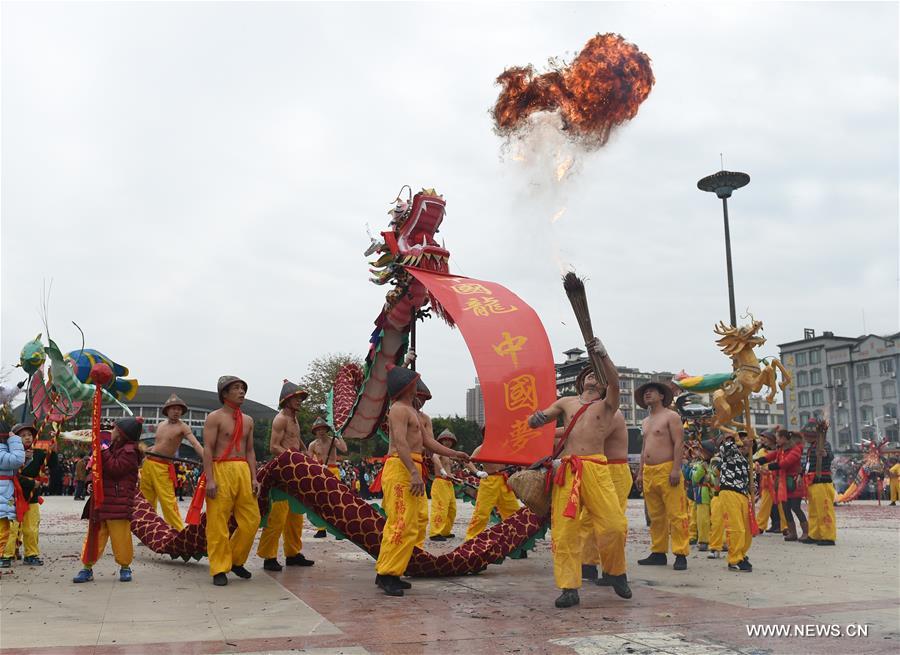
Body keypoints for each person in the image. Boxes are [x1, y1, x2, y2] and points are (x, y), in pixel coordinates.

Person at [528, 337, 631, 608]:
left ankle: (616, 571)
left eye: (597, 376)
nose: (592, 380)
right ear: (581, 381)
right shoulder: (566, 402)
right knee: (564, 532)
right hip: (568, 469)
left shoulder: (608, 405)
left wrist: (604, 355)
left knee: (614, 525)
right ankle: (569, 587)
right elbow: (543, 418)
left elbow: (616, 382)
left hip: (596, 467)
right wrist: (535, 419)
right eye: (588, 375)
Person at [374, 365, 469, 597]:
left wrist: (455, 454)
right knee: (400, 522)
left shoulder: (412, 412)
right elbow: (400, 442)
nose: (418, 386)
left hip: (412, 466)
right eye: (416, 382)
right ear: (407, 386)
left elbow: (428, 442)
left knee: (414, 522)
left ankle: (391, 571)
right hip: (401, 467)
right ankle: (387, 574)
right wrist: (414, 473)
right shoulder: (398, 409)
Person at [203, 376, 261, 586]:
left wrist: (254, 477)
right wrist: (210, 479)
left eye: (243, 388)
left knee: (252, 520)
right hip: (221, 468)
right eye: (236, 388)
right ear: (224, 394)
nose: (241, 391)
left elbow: (250, 450)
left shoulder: (248, 420)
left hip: (243, 470)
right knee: (218, 522)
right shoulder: (214, 417)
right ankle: (219, 568)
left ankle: (236, 560)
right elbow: (207, 449)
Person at [72, 417, 144, 583]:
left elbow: (115, 468)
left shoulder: (130, 452)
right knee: (95, 537)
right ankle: (87, 568)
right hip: (102, 501)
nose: (111, 432)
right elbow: (98, 469)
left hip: (118, 503)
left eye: (114, 430)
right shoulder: (111, 448)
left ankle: (125, 567)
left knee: (121, 538)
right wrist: (91, 482)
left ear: (122, 435)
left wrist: (101, 451)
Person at [257, 380, 315, 571]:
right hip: (282, 472)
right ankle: (269, 556)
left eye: (300, 398)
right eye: (296, 398)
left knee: (296, 515)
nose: (300, 401)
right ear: (287, 400)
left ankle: (293, 553)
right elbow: (274, 446)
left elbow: (296, 440)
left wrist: (306, 452)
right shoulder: (280, 419)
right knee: (277, 516)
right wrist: (293, 459)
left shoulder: (295, 419)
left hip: (295, 471)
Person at [580, 389, 632, 587]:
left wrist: (549, 433)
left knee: (613, 521)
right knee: (587, 519)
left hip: (615, 470)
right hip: (597, 469)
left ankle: (613, 569)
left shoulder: (612, 412)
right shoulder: (587, 414)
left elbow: (588, 436)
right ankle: (588, 564)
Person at [635, 381, 689, 571]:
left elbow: (678, 442)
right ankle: (658, 552)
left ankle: (681, 553)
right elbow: (644, 448)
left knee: (676, 513)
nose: (647, 394)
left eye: (651, 392)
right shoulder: (646, 421)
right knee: (655, 516)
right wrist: (641, 472)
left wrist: (676, 468)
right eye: (645, 392)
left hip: (667, 469)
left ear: (661, 396)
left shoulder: (671, 416)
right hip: (649, 471)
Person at [141, 394, 204, 530]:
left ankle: (178, 531)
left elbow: (195, 444)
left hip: (162, 467)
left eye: (179, 409)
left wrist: (207, 458)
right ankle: (149, 529)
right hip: (148, 463)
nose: (176, 411)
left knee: (168, 501)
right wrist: (145, 451)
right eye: (173, 408)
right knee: (147, 499)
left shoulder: (183, 427)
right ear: (167, 410)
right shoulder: (161, 424)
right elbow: (158, 445)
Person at [0, 423, 56, 566]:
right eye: (23, 435)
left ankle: (31, 554)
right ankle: (6, 555)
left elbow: (52, 465)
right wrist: (31, 483)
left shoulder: (38, 453)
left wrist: (54, 450)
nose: (27, 438)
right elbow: (12, 476)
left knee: (31, 527)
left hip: (31, 497)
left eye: (29, 435)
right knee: (12, 527)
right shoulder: (10, 454)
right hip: (14, 496)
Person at [463, 432, 521, 542]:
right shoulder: (481, 448)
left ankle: (515, 540)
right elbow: (467, 462)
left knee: (513, 511)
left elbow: (517, 456)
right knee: (482, 512)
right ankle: (471, 540)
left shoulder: (504, 446)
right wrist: (477, 472)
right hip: (488, 480)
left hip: (503, 480)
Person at [758, 429, 806, 542]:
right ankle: (792, 533)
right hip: (784, 484)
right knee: (785, 509)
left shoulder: (795, 450)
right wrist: (758, 460)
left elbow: (785, 463)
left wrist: (767, 467)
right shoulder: (781, 449)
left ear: (784, 439)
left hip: (793, 483)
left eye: (778, 438)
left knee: (796, 508)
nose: (776, 440)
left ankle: (805, 532)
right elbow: (770, 456)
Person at [715, 432, 753, 572]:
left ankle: (741, 554)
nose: (744, 442)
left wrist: (753, 485)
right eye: (741, 439)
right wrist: (738, 443)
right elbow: (725, 449)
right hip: (730, 491)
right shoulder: (728, 455)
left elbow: (751, 480)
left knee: (747, 529)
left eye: (745, 439)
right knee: (736, 527)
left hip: (743, 495)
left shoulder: (747, 460)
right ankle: (734, 559)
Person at [307, 416, 347, 538]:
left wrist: (339, 435)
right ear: (315, 431)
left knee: (336, 500)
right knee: (320, 500)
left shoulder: (333, 440)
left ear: (327, 429)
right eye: (318, 429)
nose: (321, 431)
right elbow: (308, 460)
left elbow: (344, 449)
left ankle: (339, 530)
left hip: (333, 470)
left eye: (323, 428)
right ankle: (321, 528)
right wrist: (317, 466)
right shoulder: (313, 445)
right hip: (320, 471)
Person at [800, 420, 836, 546]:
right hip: (812, 482)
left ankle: (828, 536)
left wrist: (824, 454)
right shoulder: (811, 448)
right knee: (814, 510)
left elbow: (830, 455)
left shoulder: (824, 444)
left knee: (824, 509)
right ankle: (814, 534)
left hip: (823, 483)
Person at [0, 421, 26, 564]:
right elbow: (17, 460)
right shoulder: (1, 451)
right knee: (3, 531)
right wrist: (15, 440)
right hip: (3, 494)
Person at [429, 429, 459, 541]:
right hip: (440, 482)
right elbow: (434, 457)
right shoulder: (439, 452)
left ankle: (445, 531)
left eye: (449, 440)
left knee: (452, 509)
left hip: (449, 483)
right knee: (440, 508)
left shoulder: (450, 454)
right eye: (445, 440)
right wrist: (442, 470)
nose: (447, 442)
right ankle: (435, 532)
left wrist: (453, 476)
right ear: (441, 441)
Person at [755, 430, 787, 534]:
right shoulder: (761, 451)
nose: (763, 440)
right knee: (764, 504)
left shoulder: (780, 450)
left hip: (779, 479)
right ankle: (760, 526)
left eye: (765, 438)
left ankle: (785, 526)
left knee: (782, 505)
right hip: (767, 481)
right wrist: (759, 467)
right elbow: (756, 461)